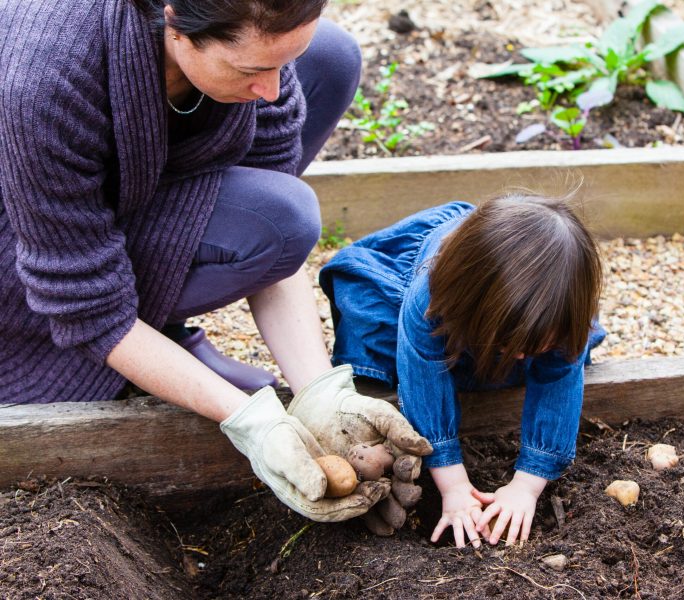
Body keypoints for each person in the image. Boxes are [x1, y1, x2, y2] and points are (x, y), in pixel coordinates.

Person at [0, 0, 431, 522]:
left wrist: (321, 393)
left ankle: (161, 329)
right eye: (252, 71)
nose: (272, 90)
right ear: (175, 20)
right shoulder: (47, 77)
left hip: (125, 190)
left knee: (331, 57)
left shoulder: (249, 38)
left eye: (278, 67)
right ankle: (142, 352)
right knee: (283, 219)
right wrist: (250, 424)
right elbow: (81, 297)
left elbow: (269, 184)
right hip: (22, 242)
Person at [320, 194, 606, 547]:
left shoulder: (564, 309)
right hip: (408, 285)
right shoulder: (431, 296)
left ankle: (492, 353)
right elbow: (423, 374)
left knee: (549, 358)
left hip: (490, 309)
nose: (519, 354)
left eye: (532, 347)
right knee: (382, 341)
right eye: (509, 344)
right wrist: (453, 485)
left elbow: (559, 380)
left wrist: (527, 485)